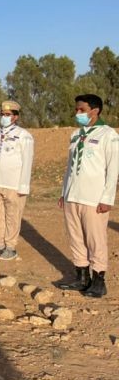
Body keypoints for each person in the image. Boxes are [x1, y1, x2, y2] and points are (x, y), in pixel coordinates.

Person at [57, 93, 119, 298]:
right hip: (73, 195)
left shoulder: (108, 135)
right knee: (76, 238)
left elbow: (113, 169)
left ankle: (99, 281)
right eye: (76, 109)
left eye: (81, 110)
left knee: (95, 239)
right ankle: (81, 277)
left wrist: (107, 198)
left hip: (94, 198)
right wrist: (63, 192)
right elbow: (69, 167)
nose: (78, 113)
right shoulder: (76, 134)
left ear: (95, 110)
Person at [0, 100, 35, 261]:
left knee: (12, 216)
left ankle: (10, 247)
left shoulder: (23, 136)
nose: (4, 117)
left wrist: (24, 186)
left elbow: (27, 161)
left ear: (15, 117)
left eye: (8, 115)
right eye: (2, 114)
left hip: (13, 184)